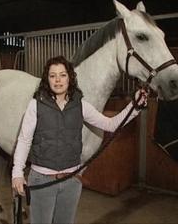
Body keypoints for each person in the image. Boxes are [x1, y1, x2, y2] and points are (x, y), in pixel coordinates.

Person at [11, 55, 147, 224]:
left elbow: (111, 124)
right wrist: (17, 172)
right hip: (42, 179)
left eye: (62, 75)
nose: (58, 80)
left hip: (72, 180)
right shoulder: (35, 105)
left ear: (70, 77)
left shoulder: (81, 105)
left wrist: (134, 106)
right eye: (53, 76)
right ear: (47, 79)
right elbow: (24, 140)